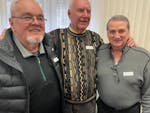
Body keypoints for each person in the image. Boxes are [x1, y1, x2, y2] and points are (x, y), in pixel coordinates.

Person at [47, 0, 135, 113]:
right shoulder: (54, 37)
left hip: (89, 105)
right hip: (63, 105)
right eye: (80, 10)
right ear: (69, 13)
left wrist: (127, 42)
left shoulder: (95, 38)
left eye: (88, 11)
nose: (85, 15)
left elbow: (113, 52)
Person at [0, 0, 64, 113]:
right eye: (27, 17)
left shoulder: (51, 46)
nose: (36, 22)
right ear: (12, 23)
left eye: (40, 18)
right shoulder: (3, 57)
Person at [96, 15, 150, 113]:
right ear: (107, 33)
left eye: (121, 31)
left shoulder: (143, 57)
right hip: (103, 109)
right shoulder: (98, 52)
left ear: (128, 32)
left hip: (131, 110)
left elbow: (148, 94)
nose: (117, 36)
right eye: (112, 31)